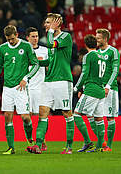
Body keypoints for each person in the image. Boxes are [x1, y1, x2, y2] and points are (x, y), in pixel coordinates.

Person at [28, 13, 74, 154]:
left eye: (48, 22)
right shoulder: (52, 38)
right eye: (46, 22)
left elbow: (50, 43)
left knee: (67, 113)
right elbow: (50, 61)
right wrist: (35, 62)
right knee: (43, 113)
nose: (45, 25)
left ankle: (69, 147)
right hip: (48, 81)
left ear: (56, 24)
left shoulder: (65, 37)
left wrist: (52, 31)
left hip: (62, 80)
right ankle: (38, 145)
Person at [0, 25, 39, 154]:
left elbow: (35, 64)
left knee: (25, 117)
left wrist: (26, 77)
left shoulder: (26, 46)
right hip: (7, 87)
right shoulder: (3, 48)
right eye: (8, 39)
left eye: (13, 39)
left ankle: (30, 140)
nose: (11, 41)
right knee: (8, 116)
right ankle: (10, 147)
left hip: (21, 87)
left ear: (17, 35)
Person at [73, 34, 107, 153]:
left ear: (85, 44)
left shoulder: (88, 56)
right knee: (99, 119)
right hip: (101, 91)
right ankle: (100, 146)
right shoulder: (102, 56)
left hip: (91, 90)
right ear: (96, 44)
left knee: (76, 115)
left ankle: (88, 142)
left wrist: (77, 87)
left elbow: (84, 73)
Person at [96, 28, 121, 151]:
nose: (97, 40)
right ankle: (101, 143)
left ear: (105, 39)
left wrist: (108, 86)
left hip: (110, 89)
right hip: (97, 89)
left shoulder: (113, 51)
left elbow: (115, 70)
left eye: (99, 38)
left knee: (110, 117)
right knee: (95, 116)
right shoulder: (95, 52)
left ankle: (109, 146)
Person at [25, 27, 48, 151]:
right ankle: (30, 140)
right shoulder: (23, 51)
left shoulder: (44, 51)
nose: (35, 39)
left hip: (41, 88)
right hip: (26, 88)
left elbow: (49, 68)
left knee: (42, 115)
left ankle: (41, 140)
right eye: (33, 36)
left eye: (37, 36)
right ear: (27, 38)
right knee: (27, 117)